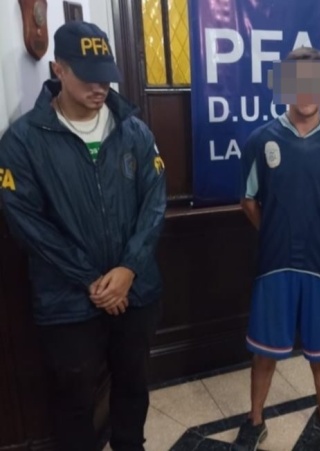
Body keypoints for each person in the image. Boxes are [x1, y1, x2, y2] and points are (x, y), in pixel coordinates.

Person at [0, 21, 166, 451]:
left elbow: (154, 204)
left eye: (106, 75)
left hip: (136, 291)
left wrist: (129, 268)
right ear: (58, 69)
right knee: (73, 395)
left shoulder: (134, 130)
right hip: (67, 300)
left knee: (133, 382)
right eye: (87, 75)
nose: (100, 86)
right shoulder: (23, 141)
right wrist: (92, 280)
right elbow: (26, 223)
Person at [232, 47, 320, 451]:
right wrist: (280, 230)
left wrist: (313, 230)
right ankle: (255, 420)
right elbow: (249, 202)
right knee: (264, 350)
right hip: (275, 262)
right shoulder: (260, 140)